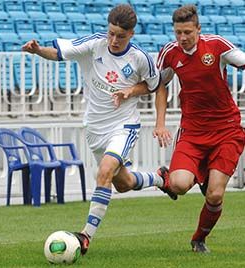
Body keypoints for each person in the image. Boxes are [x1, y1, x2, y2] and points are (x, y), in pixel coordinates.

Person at [22, 4, 177, 256]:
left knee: (104, 172)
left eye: (121, 36)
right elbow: (59, 53)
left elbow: (155, 85)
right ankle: (160, 177)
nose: (114, 40)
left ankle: (85, 236)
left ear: (132, 34)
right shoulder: (95, 45)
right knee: (124, 183)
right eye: (111, 33)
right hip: (94, 128)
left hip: (123, 126)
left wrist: (131, 91)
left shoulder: (140, 58)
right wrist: (38, 50)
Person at [155, 4, 245, 253]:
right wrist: (160, 122)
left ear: (198, 29)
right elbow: (159, 85)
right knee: (180, 185)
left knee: (214, 196)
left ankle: (199, 239)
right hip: (193, 132)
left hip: (226, 130)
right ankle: (169, 179)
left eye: (187, 33)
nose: (182, 38)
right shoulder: (170, 53)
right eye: (178, 33)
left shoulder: (216, 46)